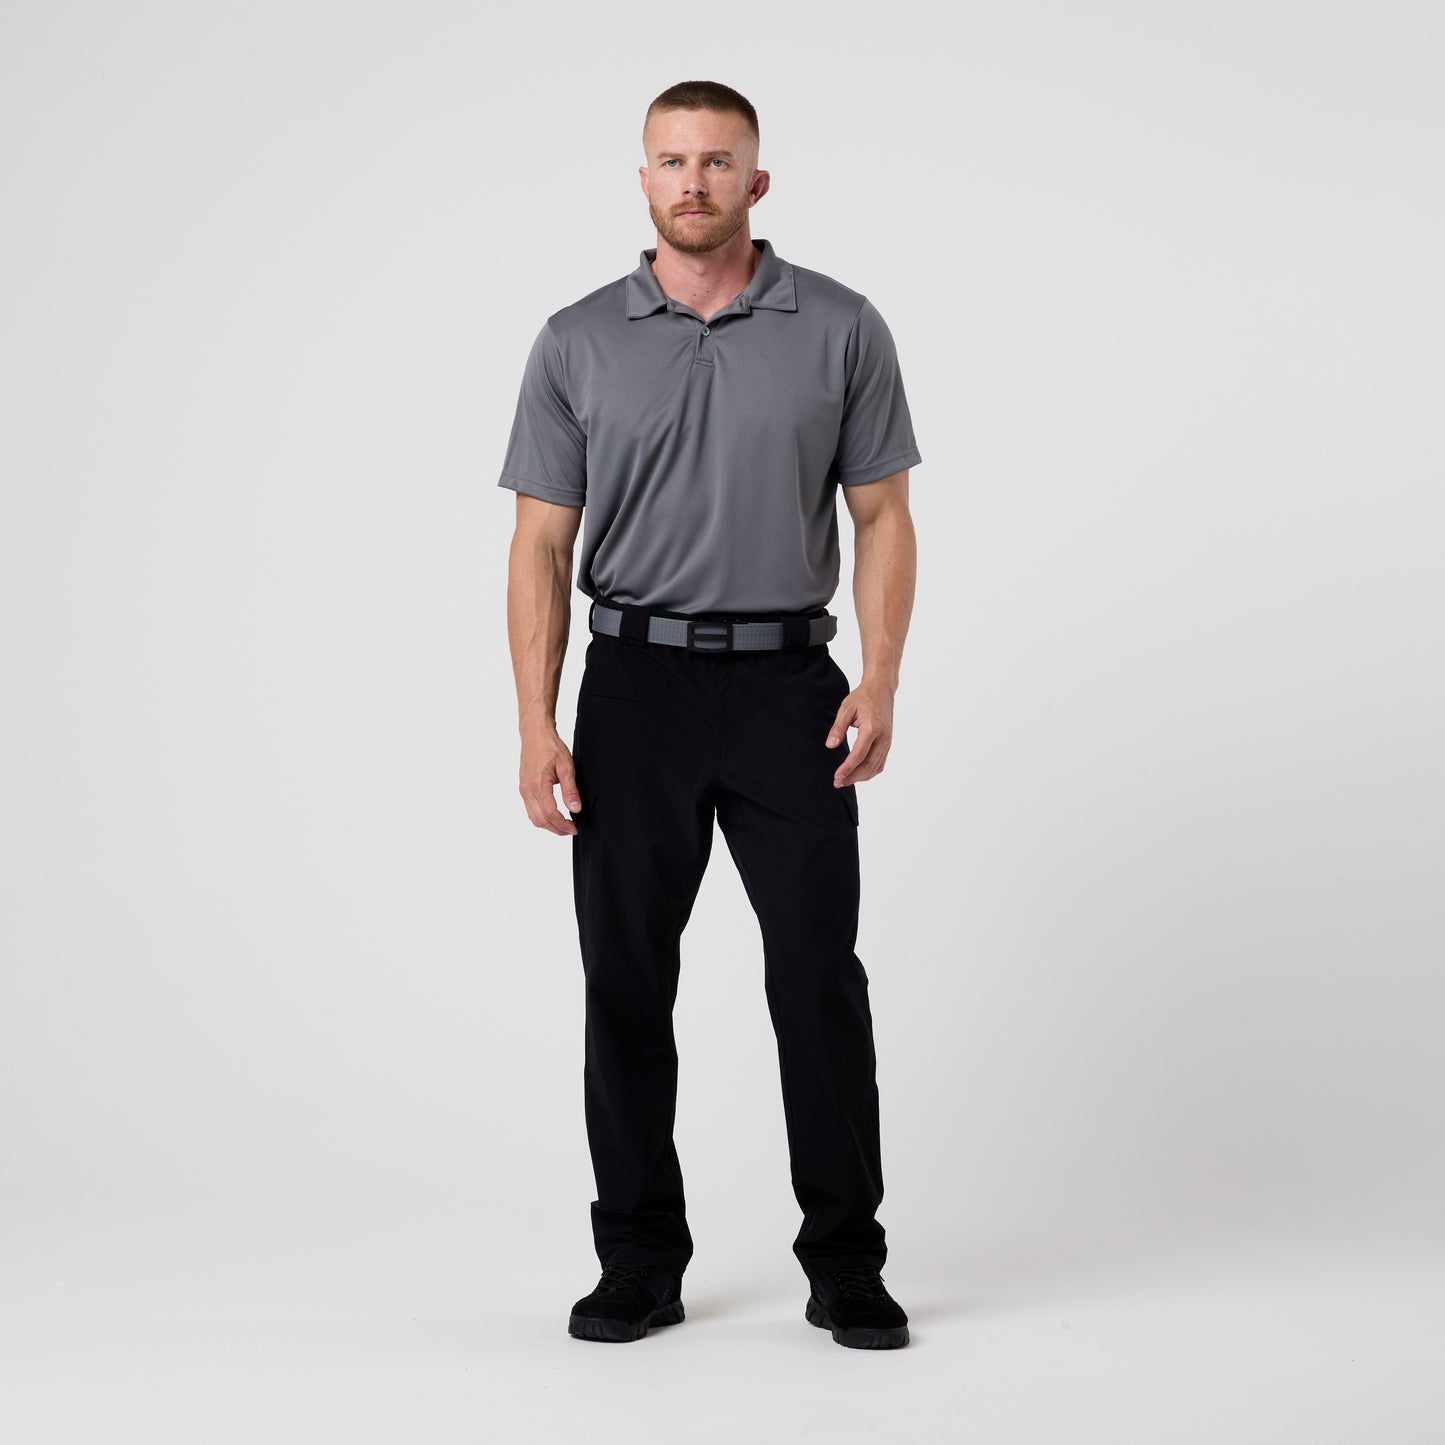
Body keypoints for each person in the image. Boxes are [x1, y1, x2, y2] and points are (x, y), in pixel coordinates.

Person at [497, 80, 921, 1350]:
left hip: (790, 685)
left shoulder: (838, 325)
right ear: (641, 180)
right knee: (625, 978)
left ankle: (845, 1258)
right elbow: (538, 545)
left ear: (757, 181)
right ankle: (637, 1256)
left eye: (717, 161)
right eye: (671, 161)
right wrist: (535, 716)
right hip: (634, 687)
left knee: (815, 978)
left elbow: (883, 514)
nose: (693, 181)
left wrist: (881, 673)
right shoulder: (576, 339)